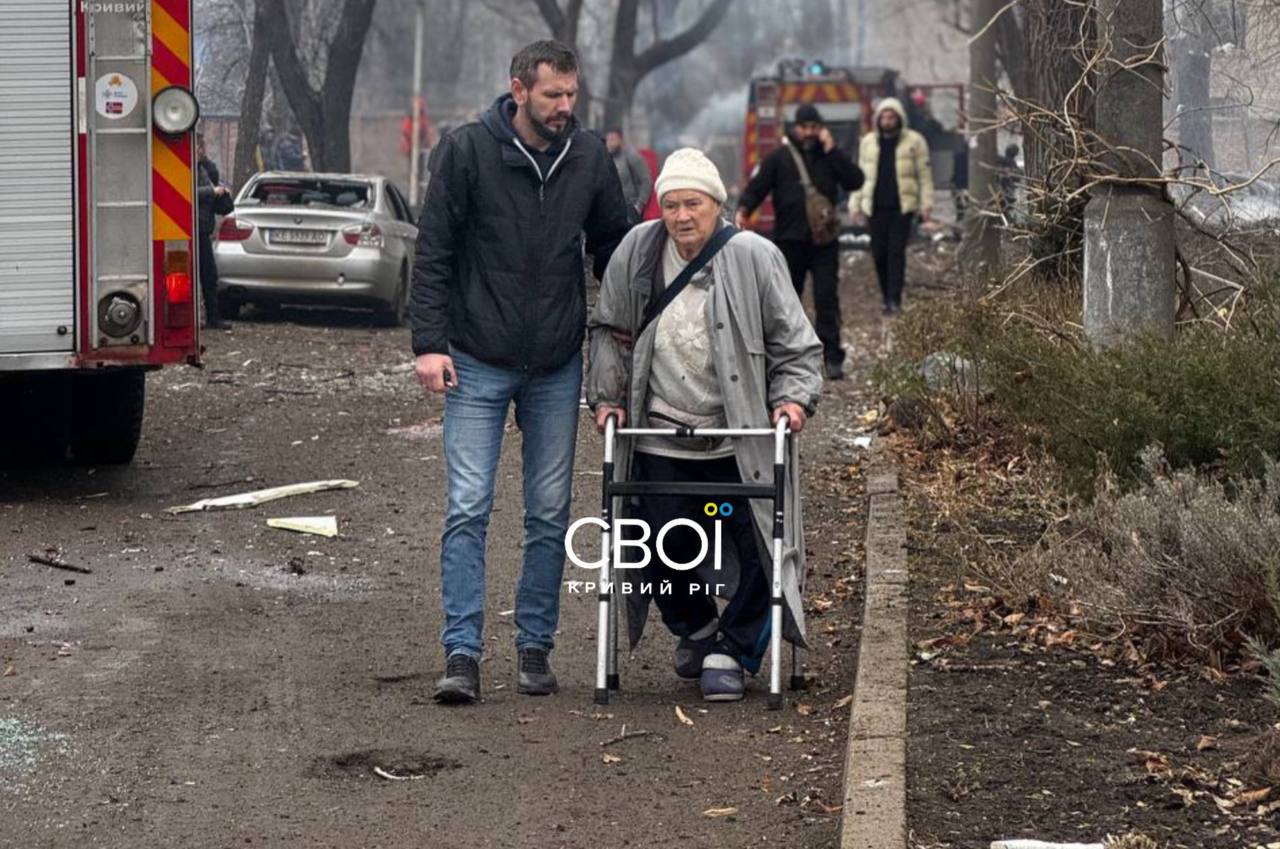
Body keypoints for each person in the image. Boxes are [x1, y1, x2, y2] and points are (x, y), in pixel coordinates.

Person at [410, 40, 631, 705]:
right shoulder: (466, 150)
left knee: (547, 511)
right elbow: (434, 251)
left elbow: (615, 249)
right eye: (553, 95)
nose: (566, 107)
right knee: (469, 507)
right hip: (475, 358)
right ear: (518, 90)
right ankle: (462, 653)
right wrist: (429, 343)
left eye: (572, 95)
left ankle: (535, 646)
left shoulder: (590, 156)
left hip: (557, 364)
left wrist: (640, 313)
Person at [586, 148, 822, 701]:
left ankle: (734, 649)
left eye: (693, 203)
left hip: (741, 433)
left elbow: (797, 345)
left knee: (764, 540)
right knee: (658, 540)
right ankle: (695, 628)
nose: (681, 215)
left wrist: (793, 400)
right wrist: (607, 397)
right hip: (663, 428)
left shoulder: (755, 257)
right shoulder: (637, 252)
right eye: (670, 205)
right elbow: (610, 330)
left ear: (717, 205)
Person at [734, 104, 863, 380]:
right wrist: (744, 209)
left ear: (821, 129)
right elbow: (758, 187)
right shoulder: (779, 158)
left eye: (814, 127)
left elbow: (855, 181)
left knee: (826, 299)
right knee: (786, 301)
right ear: (795, 128)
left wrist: (834, 151)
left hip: (824, 242)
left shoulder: (830, 157)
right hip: (789, 240)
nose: (809, 132)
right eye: (804, 127)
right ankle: (786, 357)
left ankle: (832, 357)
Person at [849, 97, 933, 314]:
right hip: (875, 208)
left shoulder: (914, 141)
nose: (887, 121)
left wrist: (925, 204)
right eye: (884, 117)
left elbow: (924, 175)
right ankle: (886, 295)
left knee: (896, 253)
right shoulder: (868, 142)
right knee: (879, 253)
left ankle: (894, 300)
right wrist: (855, 204)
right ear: (878, 119)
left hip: (901, 208)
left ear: (899, 118)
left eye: (891, 117)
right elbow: (861, 176)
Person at [195, 133, 230, 330]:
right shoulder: (185, 167)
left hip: (202, 227)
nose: (201, 151)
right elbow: (185, 191)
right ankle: (211, 317)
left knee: (209, 275)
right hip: (194, 228)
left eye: (202, 147)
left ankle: (213, 317)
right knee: (206, 273)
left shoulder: (203, 168)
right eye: (199, 147)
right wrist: (212, 192)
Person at [604, 128, 653, 222]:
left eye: (613, 139)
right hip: (611, 209)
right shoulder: (605, 158)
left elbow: (646, 180)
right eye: (608, 140)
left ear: (620, 140)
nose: (610, 143)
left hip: (630, 207)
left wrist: (639, 205)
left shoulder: (631, 156)